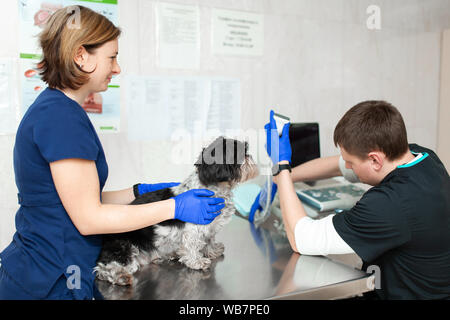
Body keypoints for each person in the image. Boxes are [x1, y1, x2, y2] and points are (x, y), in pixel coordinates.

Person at [0, 6, 225, 300]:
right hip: (49, 276)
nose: (117, 68)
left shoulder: (57, 109)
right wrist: (174, 208)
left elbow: (74, 200)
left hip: (48, 267)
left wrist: (137, 191)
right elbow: (89, 218)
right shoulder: (60, 118)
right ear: (81, 56)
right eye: (112, 57)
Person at [265, 101, 450, 299]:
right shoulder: (422, 157)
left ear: (375, 160)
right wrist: (283, 178)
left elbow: (301, 239)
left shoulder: (389, 204)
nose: (347, 166)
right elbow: (336, 166)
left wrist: (281, 166)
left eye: (351, 162)